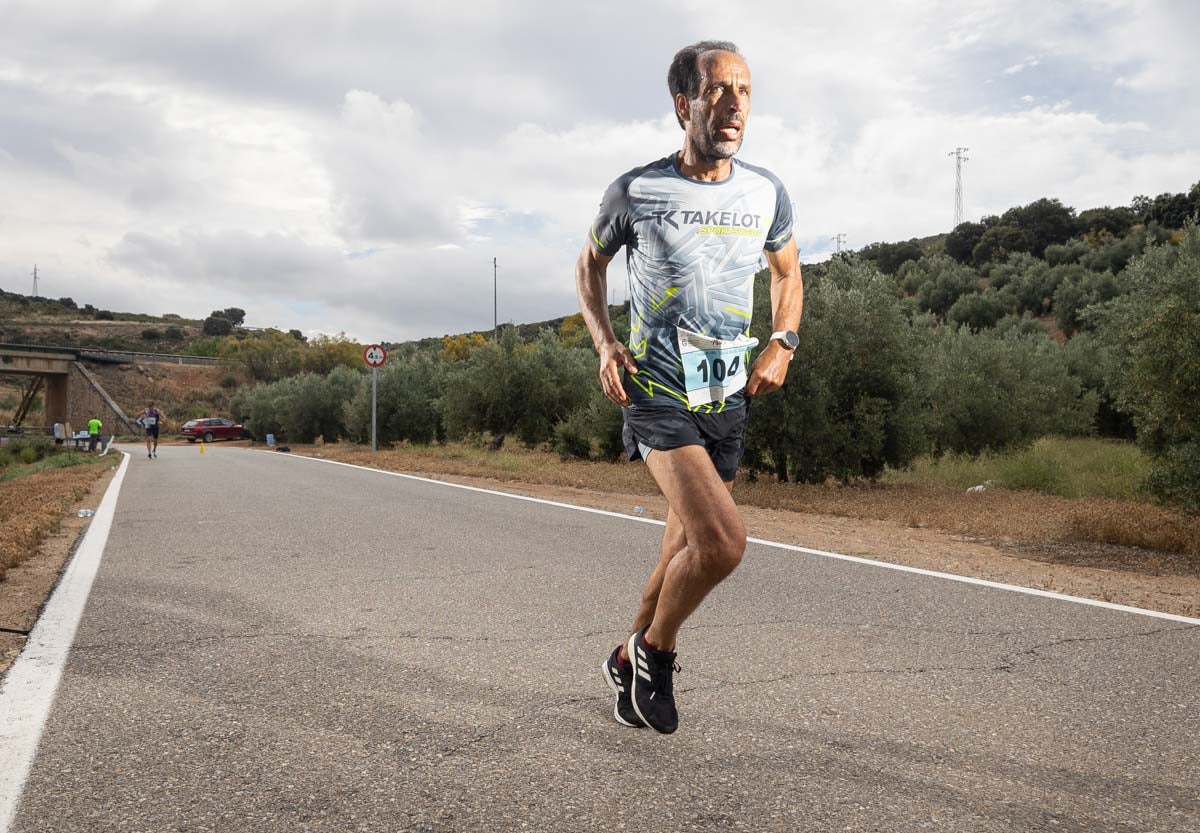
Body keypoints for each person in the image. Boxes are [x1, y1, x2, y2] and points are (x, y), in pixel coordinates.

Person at [576, 41, 803, 734]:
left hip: (725, 394)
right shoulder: (636, 190)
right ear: (684, 103)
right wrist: (607, 342)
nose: (734, 104)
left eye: (744, 90)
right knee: (722, 542)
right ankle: (655, 652)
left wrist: (783, 339)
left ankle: (623, 658)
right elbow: (589, 267)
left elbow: (787, 273)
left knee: (680, 552)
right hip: (656, 391)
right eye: (717, 90)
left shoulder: (766, 191)